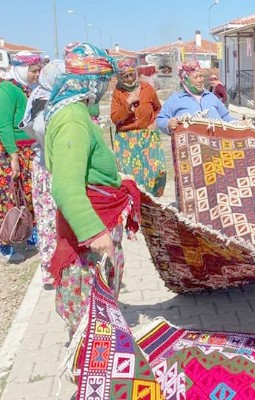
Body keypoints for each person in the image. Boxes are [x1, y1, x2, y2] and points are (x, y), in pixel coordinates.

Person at [44, 43, 141, 337]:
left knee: (96, 302)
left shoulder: (73, 112)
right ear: (90, 81)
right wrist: (93, 231)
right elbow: (65, 185)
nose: (104, 88)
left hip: (99, 216)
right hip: (90, 228)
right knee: (90, 301)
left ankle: (99, 351)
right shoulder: (73, 120)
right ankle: (90, 361)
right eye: (103, 81)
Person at [0, 52, 42, 263]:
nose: (36, 75)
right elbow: (2, 125)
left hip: (25, 152)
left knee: (27, 195)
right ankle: (4, 244)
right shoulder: (5, 91)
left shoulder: (22, 89)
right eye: (33, 71)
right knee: (5, 196)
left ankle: (28, 236)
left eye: (38, 71)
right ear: (20, 68)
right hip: (8, 152)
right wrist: (13, 155)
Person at [19, 59, 65, 287]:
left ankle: (58, 268)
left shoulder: (42, 94)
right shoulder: (44, 99)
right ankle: (53, 271)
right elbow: (40, 129)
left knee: (52, 220)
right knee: (50, 221)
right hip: (49, 167)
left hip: (47, 166)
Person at [110, 58, 166, 196]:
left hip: (148, 136)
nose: (130, 79)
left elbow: (158, 108)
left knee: (156, 171)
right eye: (126, 76)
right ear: (120, 78)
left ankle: (153, 200)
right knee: (131, 176)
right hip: (126, 140)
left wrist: (154, 123)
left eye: (132, 75)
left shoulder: (148, 89)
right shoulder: (118, 93)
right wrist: (127, 105)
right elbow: (115, 118)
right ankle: (136, 202)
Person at [155, 60, 235, 135]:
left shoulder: (211, 96)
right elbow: (160, 119)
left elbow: (225, 116)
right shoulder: (176, 99)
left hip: (216, 144)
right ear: (186, 80)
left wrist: (236, 123)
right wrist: (168, 124)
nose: (200, 80)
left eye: (201, 76)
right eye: (195, 77)